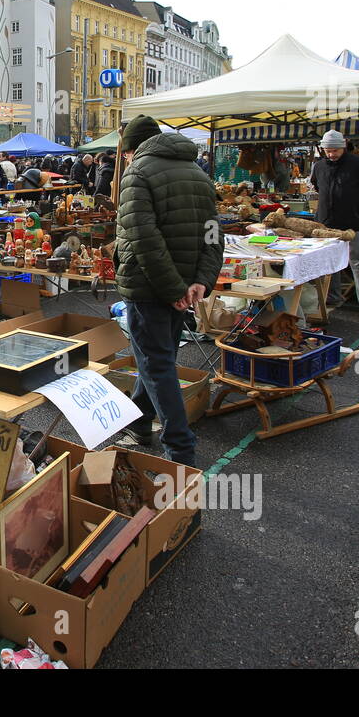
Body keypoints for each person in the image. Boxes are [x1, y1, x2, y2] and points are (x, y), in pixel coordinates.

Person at [114, 115, 223, 467]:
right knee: (159, 358)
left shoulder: (138, 172)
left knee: (156, 362)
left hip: (151, 286)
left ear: (130, 149)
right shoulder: (198, 172)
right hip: (181, 284)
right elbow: (212, 234)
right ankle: (139, 423)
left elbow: (144, 239)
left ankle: (179, 448)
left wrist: (176, 288)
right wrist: (200, 281)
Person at [311, 130, 359, 314]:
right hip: (326, 222)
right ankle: (332, 296)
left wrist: (356, 207)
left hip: (353, 221)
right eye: (328, 151)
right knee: (330, 262)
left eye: (335, 150)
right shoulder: (319, 166)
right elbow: (318, 186)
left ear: (343, 147)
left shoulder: (358, 164)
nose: (332, 154)